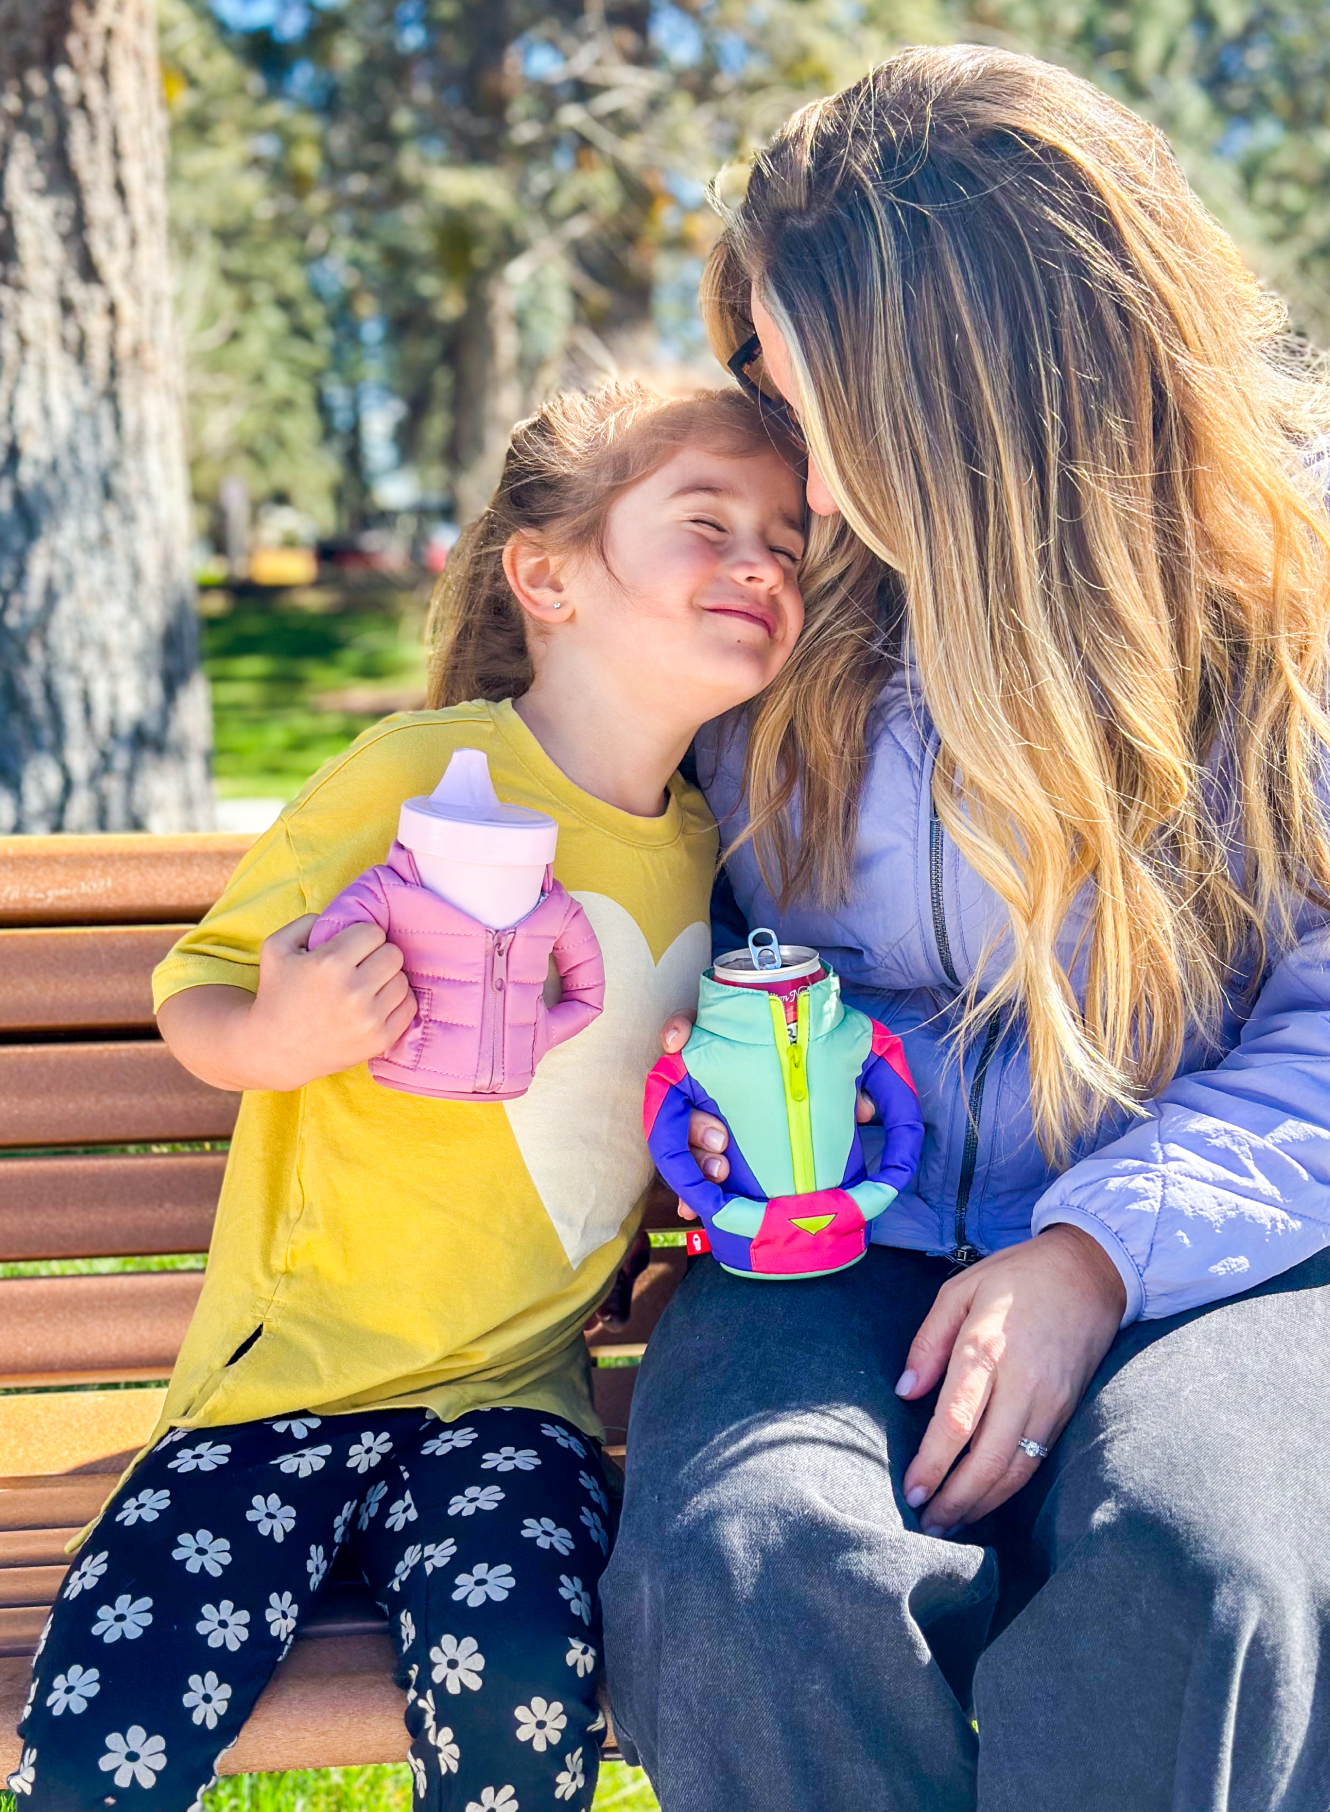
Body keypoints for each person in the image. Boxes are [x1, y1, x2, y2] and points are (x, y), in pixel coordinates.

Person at [600, 45, 1330, 1812]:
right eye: (762, 378)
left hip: (1233, 1222)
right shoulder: (789, 583)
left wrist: (1094, 1258)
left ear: (966, 389)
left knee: (1197, 1562)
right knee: (759, 1568)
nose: (797, 465)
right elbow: (584, 807)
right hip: (837, 1231)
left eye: (816, 396)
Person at [7, 382, 807, 1812]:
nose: (761, 561)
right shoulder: (420, 776)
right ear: (547, 572)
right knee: (97, 1735)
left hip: (510, 1408)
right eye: (708, 523)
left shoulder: (722, 855)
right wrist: (279, 1030)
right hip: (278, 1392)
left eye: (788, 543)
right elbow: (196, 982)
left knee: (519, 1703)